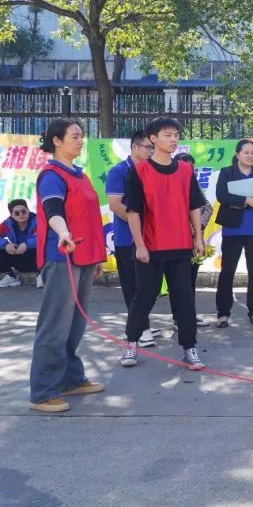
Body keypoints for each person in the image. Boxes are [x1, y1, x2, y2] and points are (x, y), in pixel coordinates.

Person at [29, 119, 107, 413]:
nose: (81, 140)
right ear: (57, 141)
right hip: (61, 255)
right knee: (54, 325)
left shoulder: (80, 175)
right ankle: (42, 392)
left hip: (83, 256)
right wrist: (63, 233)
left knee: (74, 324)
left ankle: (70, 379)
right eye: (75, 136)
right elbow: (53, 210)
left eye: (82, 136)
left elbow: (88, 217)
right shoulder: (51, 176)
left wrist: (95, 256)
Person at [120, 116, 208, 371]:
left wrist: (198, 237)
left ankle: (190, 348)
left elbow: (194, 206)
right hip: (151, 246)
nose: (173, 140)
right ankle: (131, 343)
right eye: (168, 135)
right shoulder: (138, 171)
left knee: (184, 299)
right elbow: (133, 211)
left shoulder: (185, 170)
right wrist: (139, 245)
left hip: (180, 245)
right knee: (143, 298)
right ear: (153, 138)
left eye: (176, 135)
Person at [105, 130, 158, 344]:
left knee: (149, 286)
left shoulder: (152, 170)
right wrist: (139, 224)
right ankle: (138, 330)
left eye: (152, 148)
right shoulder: (119, 171)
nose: (151, 151)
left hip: (151, 238)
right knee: (132, 286)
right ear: (134, 147)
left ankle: (143, 324)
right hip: (127, 239)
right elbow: (115, 205)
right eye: (148, 147)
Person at [214, 139, 253, 327]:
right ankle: (223, 313)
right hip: (233, 230)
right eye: (246, 153)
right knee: (227, 272)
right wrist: (246, 200)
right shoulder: (227, 172)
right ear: (238, 154)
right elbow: (222, 195)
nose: (250, 156)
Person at [175, 152, 213, 299]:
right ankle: (178, 311)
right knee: (176, 280)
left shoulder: (194, 186)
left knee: (191, 278)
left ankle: (189, 311)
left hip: (194, 241)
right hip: (175, 240)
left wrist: (197, 228)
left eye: (192, 167)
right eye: (185, 166)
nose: (189, 170)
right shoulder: (169, 184)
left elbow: (207, 208)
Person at [0, 199, 40, 288]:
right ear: (12, 215)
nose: (21, 214)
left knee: (44, 247)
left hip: (36, 257)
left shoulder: (38, 220)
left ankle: (41, 275)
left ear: (28, 211)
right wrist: (6, 244)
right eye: (17, 213)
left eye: (23, 211)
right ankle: (10, 276)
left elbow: (41, 236)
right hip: (19, 256)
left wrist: (26, 244)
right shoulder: (7, 224)